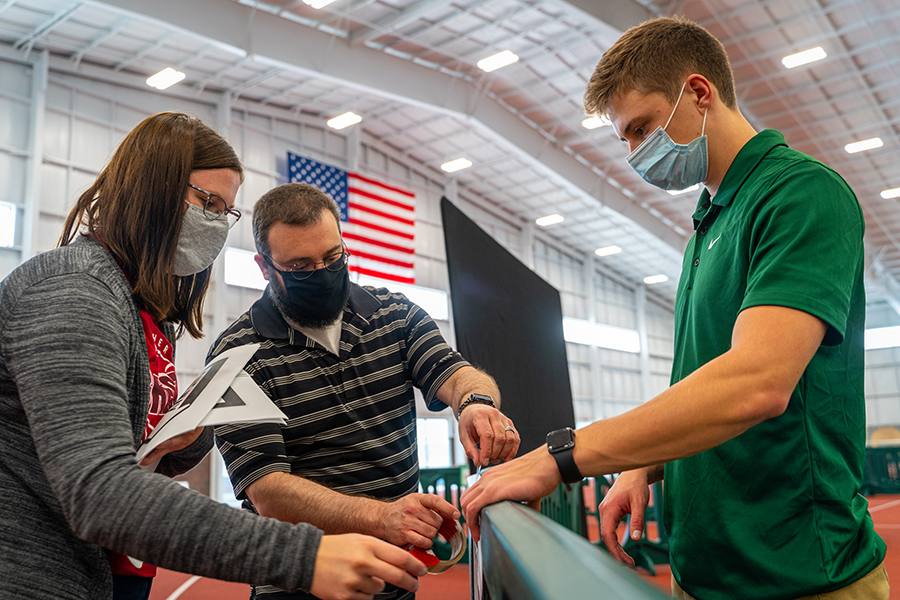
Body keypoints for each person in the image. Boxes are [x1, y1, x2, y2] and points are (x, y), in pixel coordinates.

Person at [461, 16, 888, 600]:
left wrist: (564, 456)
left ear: (698, 91)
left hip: (800, 574)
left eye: (641, 128)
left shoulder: (802, 194)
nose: (636, 153)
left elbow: (757, 382)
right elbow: (700, 383)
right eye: (626, 139)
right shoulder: (703, 231)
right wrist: (645, 463)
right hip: (702, 572)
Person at [0, 112, 425, 600]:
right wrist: (304, 556)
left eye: (227, 210)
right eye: (209, 202)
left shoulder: (139, 309)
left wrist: (183, 442)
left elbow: (122, 462)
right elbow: (98, 490)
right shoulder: (73, 292)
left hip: (99, 571)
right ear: (152, 189)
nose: (219, 222)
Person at [208, 182, 520, 600]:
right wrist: (381, 517)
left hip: (394, 579)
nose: (322, 273)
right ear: (265, 268)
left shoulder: (395, 315)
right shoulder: (236, 354)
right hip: (298, 582)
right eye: (300, 267)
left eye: (333, 257)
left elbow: (458, 373)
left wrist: (475, 405)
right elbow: (267, 489)